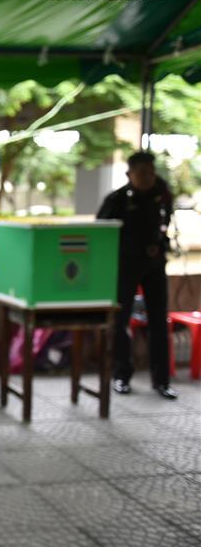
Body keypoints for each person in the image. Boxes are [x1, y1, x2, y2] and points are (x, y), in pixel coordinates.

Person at [97, 151, 176, 399]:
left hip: (154, 266)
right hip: (126, 266)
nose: (147, 177)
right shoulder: (118, 199)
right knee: (120, 322)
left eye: (151, 172)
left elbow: (165, 223)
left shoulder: (161, 195)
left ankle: (161, 380)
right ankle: (121, 376)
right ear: (130, 174)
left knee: (158, 323)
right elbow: (101, 232)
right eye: (141, 173)